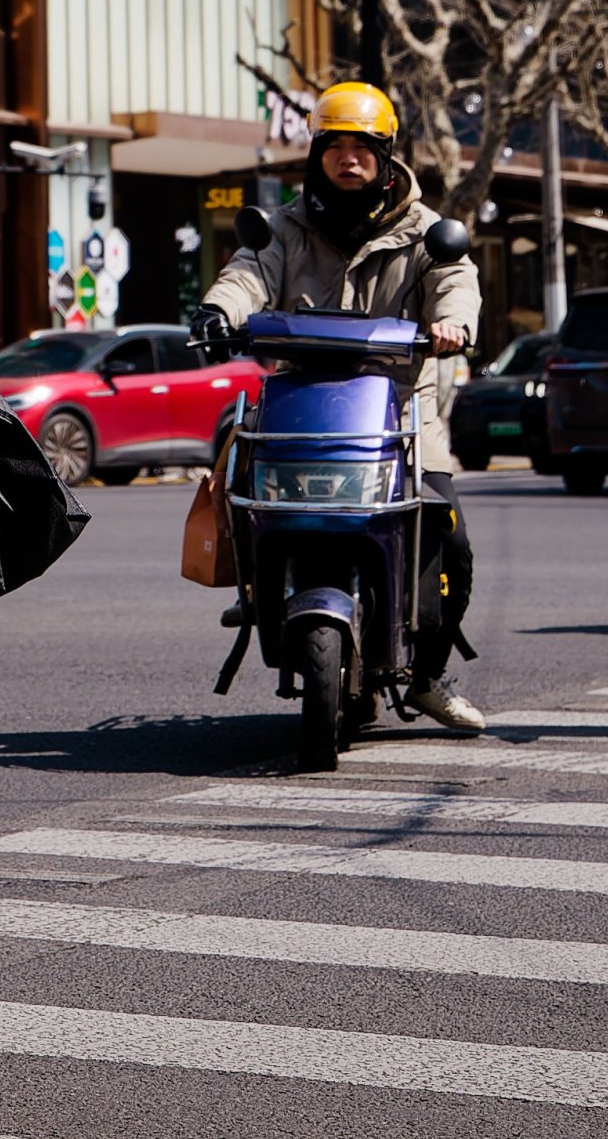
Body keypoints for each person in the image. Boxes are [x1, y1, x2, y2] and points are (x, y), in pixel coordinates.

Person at [193, 79, 487, 732]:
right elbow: (248, 273)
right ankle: (256, 589)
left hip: (402, 413)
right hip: (302, 405)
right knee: (242, 491)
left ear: (385, 155)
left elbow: (455, 284)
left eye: (361, 148)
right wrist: (219, 309)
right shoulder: (284, 227)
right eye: (334, 147)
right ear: (315, 153)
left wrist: (452, 324)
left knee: (452, 543)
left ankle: (428, 676)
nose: (347, 159)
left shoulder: (424, 231)